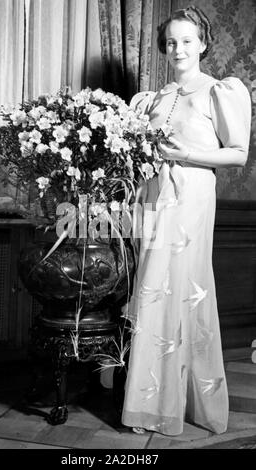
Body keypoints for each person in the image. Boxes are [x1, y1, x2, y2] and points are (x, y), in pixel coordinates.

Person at [121, 5, 251, 436]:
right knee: (154, 289)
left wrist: (185, 155)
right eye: (172, 41)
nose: (178, 49)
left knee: (186, 288)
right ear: (164, 46)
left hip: (193, 196)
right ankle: (153, 401)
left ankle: (190, 403)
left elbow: (238, 153)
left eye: (187, 41)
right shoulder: (151, 99)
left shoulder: (221, 91)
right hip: (155, 198)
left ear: (204, 44)